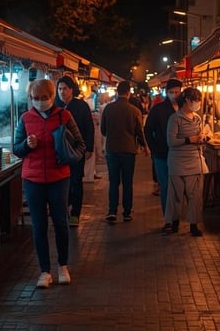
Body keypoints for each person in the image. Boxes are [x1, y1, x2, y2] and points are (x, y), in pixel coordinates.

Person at [13, 79, 86, 288]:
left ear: (52, 97)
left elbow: (80, 144)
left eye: (43, 98)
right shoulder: (25, 118)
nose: (39, 102)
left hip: (59, 178)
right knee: (39, 226)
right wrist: (27, 145)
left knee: (61, 222)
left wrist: (68, 158)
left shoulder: (65, 116)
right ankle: (44, 271)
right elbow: (16, 149)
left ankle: (63, 266)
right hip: (32, 179)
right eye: (35, 98)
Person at [100, 80, 148, 222]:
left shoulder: (108, 109)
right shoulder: (135, 110)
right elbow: (139, 131)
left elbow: (103, 130)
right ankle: (127, 212)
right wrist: (144, 146)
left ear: (117, 92)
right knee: (127, 182)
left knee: (113, 181)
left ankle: (112, 211)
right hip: (128, 150)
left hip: (112, 150)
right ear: (128, 93)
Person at [164, 88, 208, 236]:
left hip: (194, 162)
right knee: (175, 196)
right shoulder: (175, 119)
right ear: (187, 100)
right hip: (177, 163)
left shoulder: (197, 118)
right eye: (196, 100)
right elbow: (171, 141)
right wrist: (189, 139)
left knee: (195, 196)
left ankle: (194, 225)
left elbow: (200, 135)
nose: (198, 103)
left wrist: (202, 139)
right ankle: (173, 223)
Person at [56, 76, 95, 227]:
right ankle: (64, 208)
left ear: (71, 90)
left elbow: (89, 127)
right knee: (61, 181)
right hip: (59, 151)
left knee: (76, 180)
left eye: (65, 88)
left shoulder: (81, 106)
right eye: (59, 89)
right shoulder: (55, 106)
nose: (62, 92)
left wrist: (89, 148)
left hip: (77, 150)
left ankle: (75, 213)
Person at [144, 79, 183, 225]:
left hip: (181, 155)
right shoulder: (158, 109)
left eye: (177, 92)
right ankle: (168, 219)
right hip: (162, 154)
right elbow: (148, 129)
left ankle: (176, 217)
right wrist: (153, 148)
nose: (174, 95)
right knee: (165, 186)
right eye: (171, 92)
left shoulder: (185, 108)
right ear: (166, 92)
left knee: (178, 187)